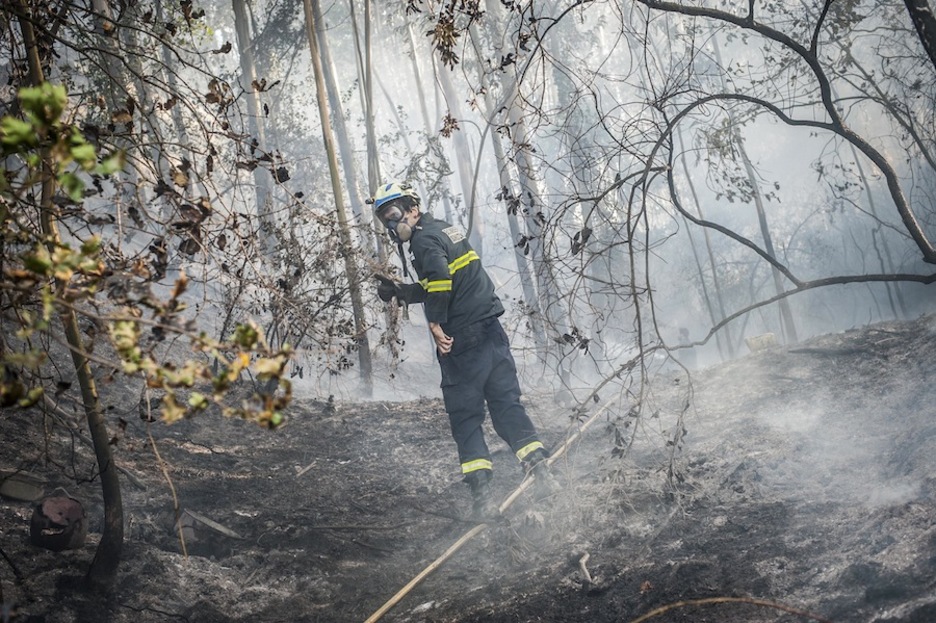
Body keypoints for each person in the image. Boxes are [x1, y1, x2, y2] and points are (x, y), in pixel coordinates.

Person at [370, 181, 558, 520]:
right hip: (491, 332)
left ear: (413, 208)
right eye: (385, 218)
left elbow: (440, 279)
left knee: (466, 419)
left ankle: (483, 500)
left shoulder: (424, 239)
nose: (391, 224)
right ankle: (541, 472)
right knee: (505, 405)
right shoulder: (444, 231)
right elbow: (442, 281)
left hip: (463, 341)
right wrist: (400, 291)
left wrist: (436, 324)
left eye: (394, 213)